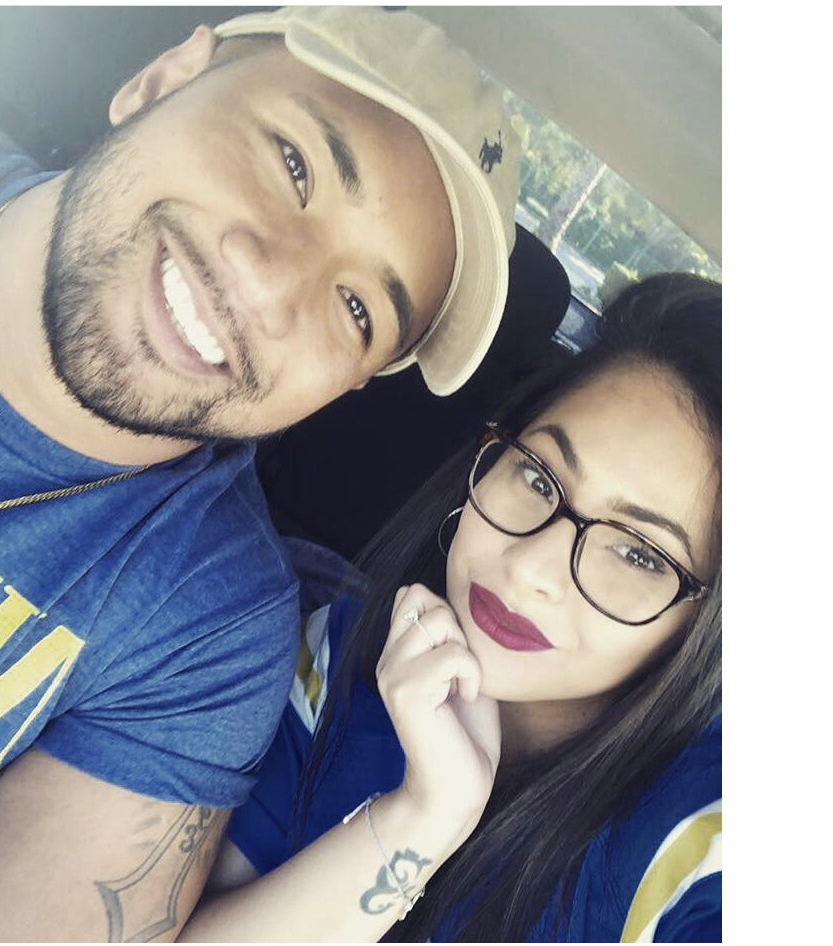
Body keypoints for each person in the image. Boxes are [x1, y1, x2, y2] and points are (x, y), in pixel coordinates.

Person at [0, 7, 523, 941]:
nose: (271, 289)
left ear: (347, 386)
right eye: (294, 164)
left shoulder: (209, 630)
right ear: (164, 77)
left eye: (357, 308)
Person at [175, 273, 722, 942]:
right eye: (538, 477)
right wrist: (424, 818)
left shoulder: (706, 851)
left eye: (638, 554)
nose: (529, 570)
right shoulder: (342, 652)